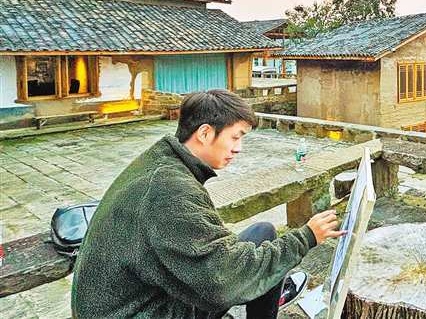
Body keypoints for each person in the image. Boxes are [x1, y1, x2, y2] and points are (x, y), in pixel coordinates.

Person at [71, 89, 345, 318]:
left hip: (140, 293)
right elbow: (222, 282)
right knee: (252, 272)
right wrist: (306, 237)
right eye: (235, 137)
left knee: (263, 233)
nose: (238, 148)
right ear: (204, 133)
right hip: (134, 311)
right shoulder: (169, 190)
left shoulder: (163, 161)